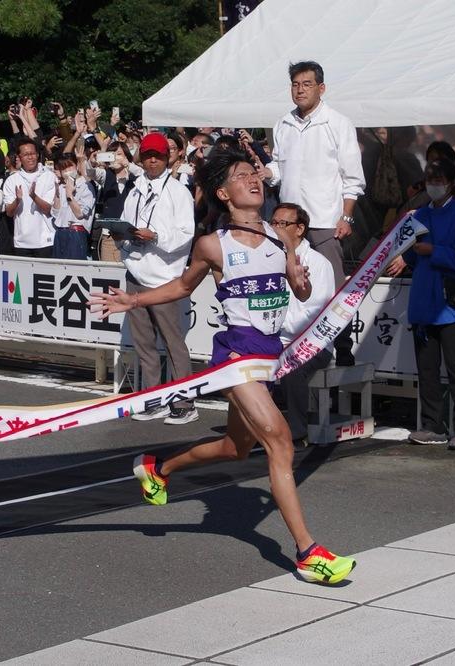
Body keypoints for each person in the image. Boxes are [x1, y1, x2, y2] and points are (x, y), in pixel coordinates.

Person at [91, 147, 356, 584]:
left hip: (271, 354)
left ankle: (159, 468)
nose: (254, 179)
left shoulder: (279, 237)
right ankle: (309, 554)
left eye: (254, 172)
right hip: (236, 356)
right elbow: (181, 284)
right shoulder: (213, 244)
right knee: (281, 443)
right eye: (240, 175)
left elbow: (300, 292)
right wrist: (132, 299)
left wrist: (301, 283)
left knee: (237, 448)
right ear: (223, 192)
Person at [267, 60, 366, 366]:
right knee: (288, 282)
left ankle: (343, 344)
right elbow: (278, 168)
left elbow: (353, 178)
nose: (300, 90)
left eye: (306, 84)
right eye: (295, 84)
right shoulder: (282, 124)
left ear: (321, 88)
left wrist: (346, 216)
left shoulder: (337, 123)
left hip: (324, 220)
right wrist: (265, 172)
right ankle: (291, 343)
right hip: (287, 221)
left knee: (333, 287)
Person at [386, 159, 455, 451]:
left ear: (451, 182)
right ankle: (431, 424)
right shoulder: (420, 214)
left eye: (438, 178)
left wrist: (433, 251)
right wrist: (406, 258)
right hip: (424, 304)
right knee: (426, 370)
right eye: (429, 178)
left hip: (452, 306)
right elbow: (413, 254)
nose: (432, 183)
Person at [118, 133, 197, 424]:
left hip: (165, 277)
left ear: (169, 158)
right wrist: (125, 238)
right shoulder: (135, 188)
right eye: (148, 155)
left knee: (173, 342)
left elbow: (186, 234)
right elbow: (126, 225)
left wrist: (157, 236)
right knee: (144, 343)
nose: (152, 160)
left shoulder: (178, 191)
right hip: (136, 271)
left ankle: (184, 401)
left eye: (158, 156)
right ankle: (153, 398)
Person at [274, 202, 335, 443]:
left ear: (300, 229)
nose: (276, 228)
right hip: (276, 337)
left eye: (283, 224)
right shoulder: (269, 258)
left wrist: (280, 332)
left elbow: (317, 313)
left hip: (312, 342)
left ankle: (296, 432)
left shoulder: (319, 264)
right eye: (274, 222)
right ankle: (259, 428)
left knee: (292, 367)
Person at [3, 137, 57, 257]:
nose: (30, 157)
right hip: (21, 243)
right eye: (26, 154)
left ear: (38, 155)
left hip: (45, 241)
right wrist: (17, 200)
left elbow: (48, 209)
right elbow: (9, 213)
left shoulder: (49, 176)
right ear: (19, 157)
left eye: (33, 153)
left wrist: (34, 197)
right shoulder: (12, 180)